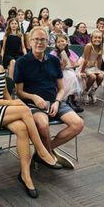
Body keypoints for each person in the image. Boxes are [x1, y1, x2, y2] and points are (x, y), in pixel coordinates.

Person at [0, 38, 61, 198]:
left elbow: (5, 92)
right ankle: (41, 150)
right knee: (25, 111)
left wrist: (13, 103)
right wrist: (14, 104)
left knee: (22, 129)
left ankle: (25, 175)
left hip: (2, 108)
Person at [14, 27, 84, 169]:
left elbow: (61, 88)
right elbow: (19, 92)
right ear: (30, 42)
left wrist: (57, 102)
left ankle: (43, 152)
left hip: (54, 101)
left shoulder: (53, 60)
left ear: (47, 42)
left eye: (43, 40)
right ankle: (47, 154)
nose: (40, 42)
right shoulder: (21, 62)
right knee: (43, 124)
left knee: (78, 124)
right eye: (36, 39)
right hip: (33, 105)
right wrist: (34, 97)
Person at [50, 34, 84, 113]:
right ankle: (68, 100)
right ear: (55, 43)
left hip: (69, 70)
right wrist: (61, 66)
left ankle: (71, 99)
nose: (61, 43)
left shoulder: (70, 51)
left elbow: (76, 63)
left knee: (75, 76)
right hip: (58, 71)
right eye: (58, 42)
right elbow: (51, 66)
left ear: (67, 42)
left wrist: (75, 64)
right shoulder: (53, 53)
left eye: (62, 41)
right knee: (70, 76)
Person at [78, 30, 104, 104]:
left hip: (93, 65)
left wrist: (99, 70)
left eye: (99, 38)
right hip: (84, 65)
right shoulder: (89, 45)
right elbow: (86, 60)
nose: (97, 39)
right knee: (92, 77)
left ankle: (92, 91)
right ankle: (85, 92)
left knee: (101, 76)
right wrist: (82, 71)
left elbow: (99, 60)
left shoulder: (101, 46)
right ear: (91, 38)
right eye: (95, 37)